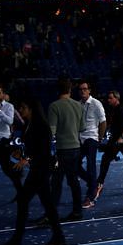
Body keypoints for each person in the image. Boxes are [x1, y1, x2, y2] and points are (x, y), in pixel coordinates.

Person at [0, 97, 65, 245]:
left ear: (31, 108)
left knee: (25, 201)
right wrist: (23, 153)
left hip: (41, 170)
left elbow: (43, 151)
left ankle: (17, 240)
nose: (21, 110)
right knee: (47, 204)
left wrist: (27, 158)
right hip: (37, 170)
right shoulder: (29, 124)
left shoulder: (41, 126)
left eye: (23, 107)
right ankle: (58, 236)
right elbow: (34, 148)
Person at [49, 77, 85, 222]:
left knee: (56, 183)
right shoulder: (78, 105)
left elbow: (51, 130)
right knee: (74, 182)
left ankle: (51, 213)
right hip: (76, 148)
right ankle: (77, 211)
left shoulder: (54, 106)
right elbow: (82, 127)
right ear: (70, 90)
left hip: (62, 149)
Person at [77, 80, 107, 209]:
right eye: (81, 89)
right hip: (80, 139)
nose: (83, 91)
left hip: (91, 138)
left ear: (89, 90)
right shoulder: (78, 104)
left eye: (85, 89)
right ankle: (94, 184)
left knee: (90, 165)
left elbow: (103, 122)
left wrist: (99, 138)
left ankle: (91, 197)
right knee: (75, 165)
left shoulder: (96, 103)